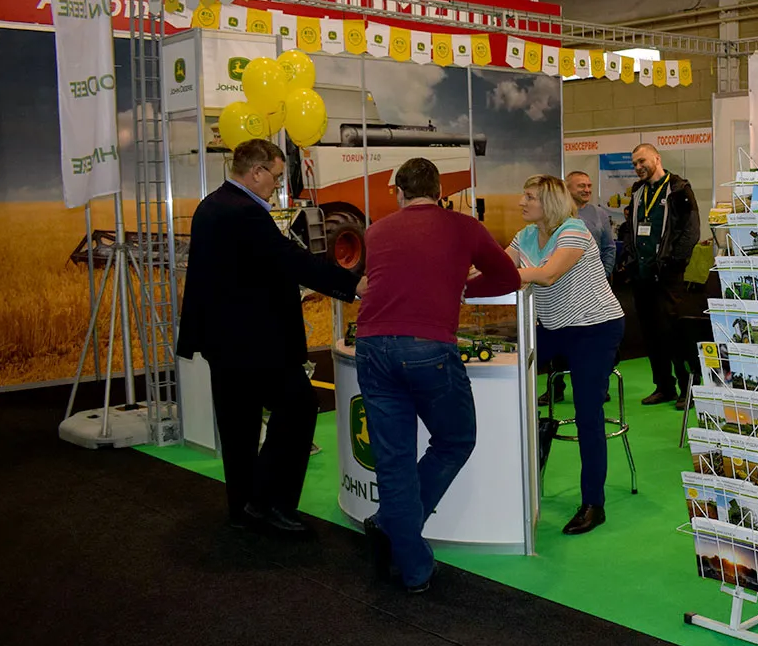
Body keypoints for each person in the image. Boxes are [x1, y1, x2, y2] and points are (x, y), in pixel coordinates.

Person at [177, 138, 360, 536]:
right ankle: (272, 502)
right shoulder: (244, 212)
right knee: (299, 407)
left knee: (239, 427)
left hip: (224, 341)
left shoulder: (211, 205)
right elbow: (290, 261)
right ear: (256, 171)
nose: (277, 185)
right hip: (257, 342)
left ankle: (243, 508)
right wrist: (352, 283)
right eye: (275, 176)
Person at [355, 158, 519, 593]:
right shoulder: (463, 227)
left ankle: (409, 558)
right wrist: (465, 287)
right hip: (428, 348)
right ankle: (398, 533)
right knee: (454, 440)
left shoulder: (376, 231)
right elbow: (508, 277)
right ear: (440, 190)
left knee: (393, 461)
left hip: (372, 345)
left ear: (399, 193)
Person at [509, 175, 625, 535]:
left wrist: (510, 274)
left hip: (595, 328)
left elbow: (547, 275)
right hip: (555, 326)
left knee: (587, 413)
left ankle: (594, 504)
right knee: (508, 374)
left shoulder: (573, 230)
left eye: (529, 197)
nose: (522, 202)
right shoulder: (525, 236)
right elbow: (500, 266)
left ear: (549, 203)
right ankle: (533, 445)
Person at [616, 143, 700, 409]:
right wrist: (630, 259)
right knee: (650, 333)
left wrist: (674, 264)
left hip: (667, 275)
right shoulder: (638, 191)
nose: (638, 167)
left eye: (642, 161)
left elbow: (691, 231)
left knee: (674, 331)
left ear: (656, 158)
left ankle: (689, 388)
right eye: (634, 164)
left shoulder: (678, 189)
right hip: (641, 274)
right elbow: (630, 228)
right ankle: (664, 386)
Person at [539, 170, 617, 407]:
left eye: (589, 186)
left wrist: (602, 276)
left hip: (591, 295)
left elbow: (609, 248)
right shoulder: (556, 217)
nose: (587, 190)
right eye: (581, 185)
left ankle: (597, 389)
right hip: (558, 292)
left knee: (591, 350)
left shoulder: (599, 214)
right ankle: (556, 388)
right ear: (567, 188)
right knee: (558, 343)